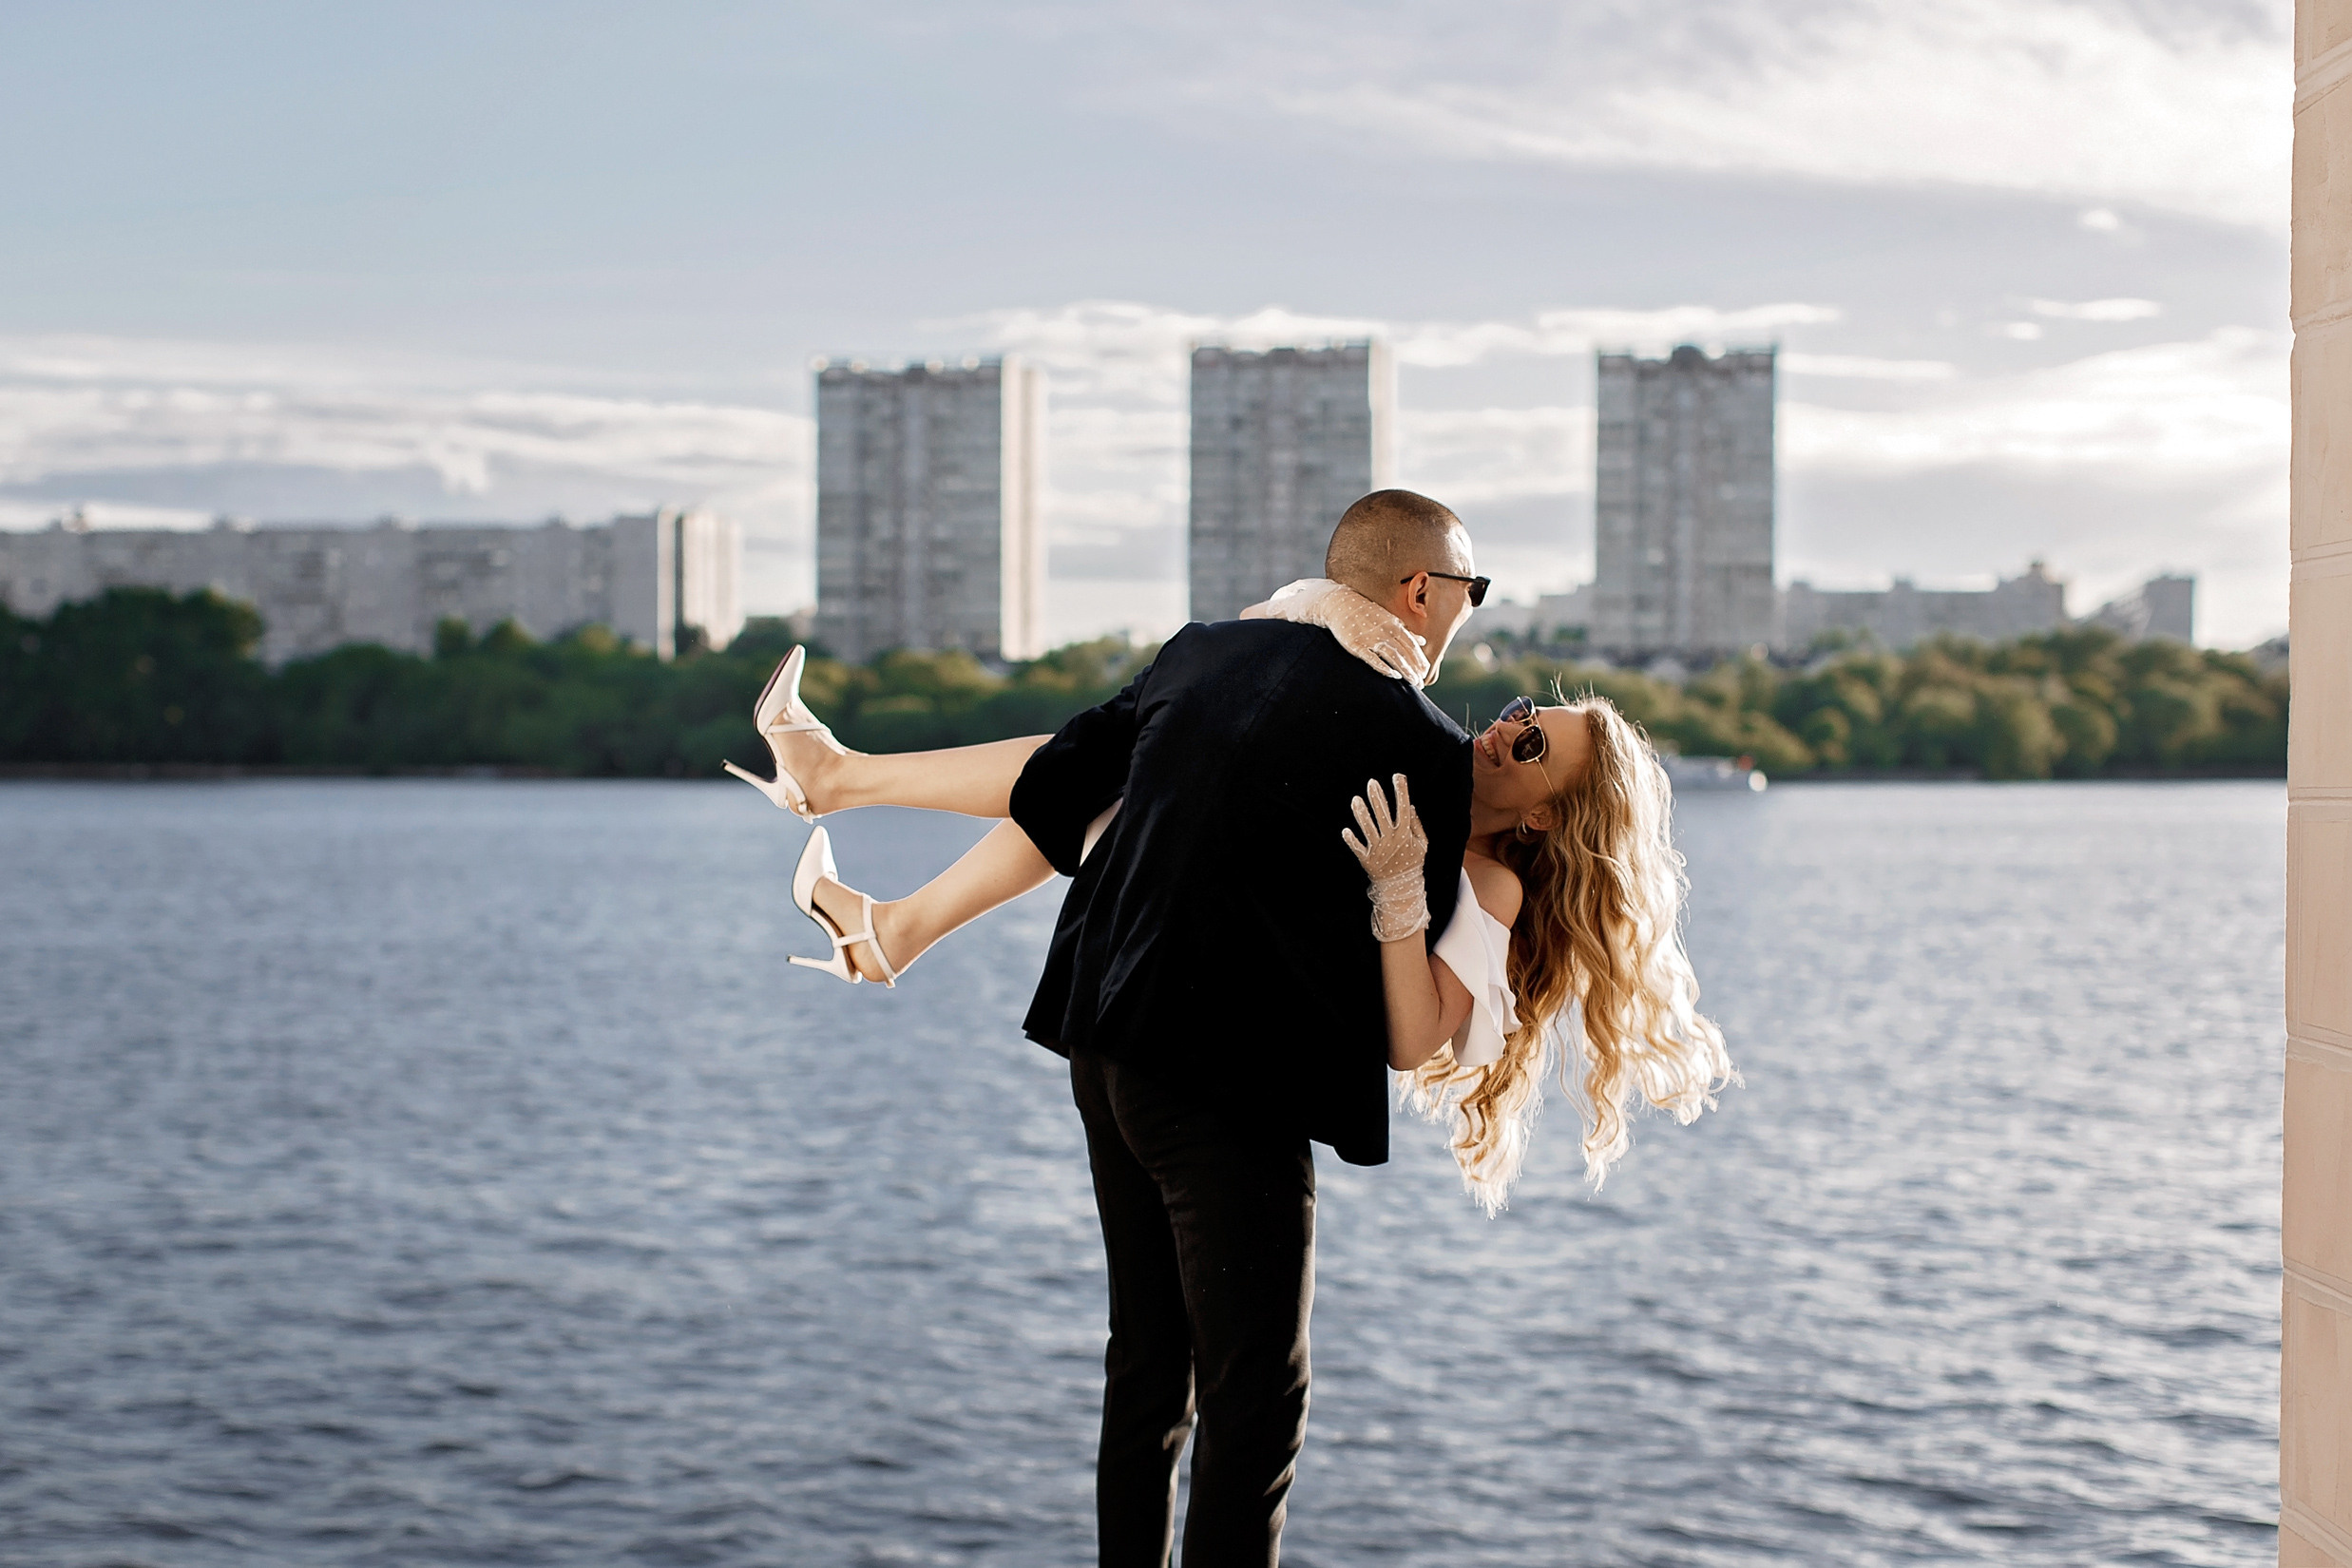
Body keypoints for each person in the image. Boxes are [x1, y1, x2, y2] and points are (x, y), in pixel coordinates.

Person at [725, 489, 1731, 1564]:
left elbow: (1412, 1037)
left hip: (1115, 1047)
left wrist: (1398, 893)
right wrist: (1304, 646)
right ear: (1421, 593)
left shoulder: (1483, 875)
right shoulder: (1405, 756)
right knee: (1254, 1402)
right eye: (1525, 711)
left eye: (1534, 746)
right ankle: (874, 882)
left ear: (1545, 814)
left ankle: (877, 893)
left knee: (1154, 1365)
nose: (1504, 730)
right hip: (1214, 1089)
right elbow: (1118, 770)